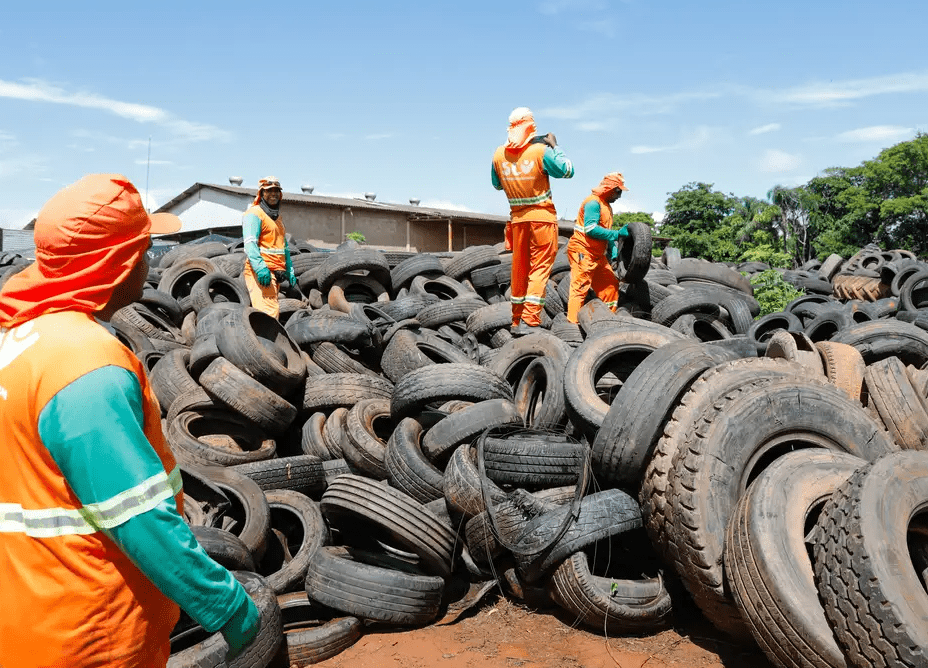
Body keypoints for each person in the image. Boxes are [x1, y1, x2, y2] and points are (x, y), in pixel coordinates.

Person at [0, 174, 260, 667]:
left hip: (26, 619)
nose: (148, 261)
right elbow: (136, 516)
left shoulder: (19, 343)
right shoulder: (85, 365)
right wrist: (225, 605)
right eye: (142, 249)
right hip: (92, 632)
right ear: (114, 264)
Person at [491, 107, 574, 336]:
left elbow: (497, 184)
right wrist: (555, 146)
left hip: (517, 221)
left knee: (519, 269)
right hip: (542, 219)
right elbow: (568, 170)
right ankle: (530, 319)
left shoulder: (498, 154)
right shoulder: (541, 152)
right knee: (539, 268)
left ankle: (516, 319)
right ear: (531, 127)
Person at [565, 172, 630, 323]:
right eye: (618, 191)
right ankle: (572, 328)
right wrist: (617, 234)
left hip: (598, 254)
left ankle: (606, 321)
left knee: (610, 285)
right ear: (610, 189)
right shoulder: (593, 203)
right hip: (583, 251)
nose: (620, 196)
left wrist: (614, 252)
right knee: (580, 288)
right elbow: (591, 229)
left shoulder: (607, 206)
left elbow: (605, 234)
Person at [242, 176, 297, 318]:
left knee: (270, 312)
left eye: (277, 190)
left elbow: (283, 247)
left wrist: (289, 269)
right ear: (262, 193)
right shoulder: (254, 214)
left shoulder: (277, 219)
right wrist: (260, 268)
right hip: (262, 272)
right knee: (268, 315)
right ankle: (263, 341)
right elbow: (250, 243)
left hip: (276, 272)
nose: (274, 194)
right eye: (269, 190)